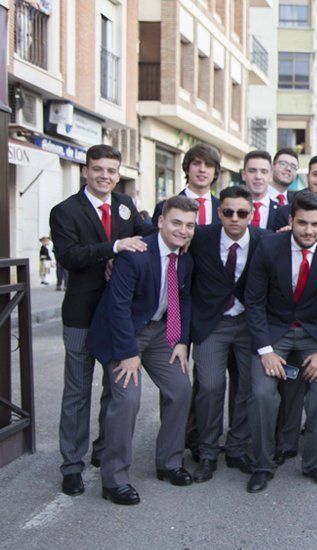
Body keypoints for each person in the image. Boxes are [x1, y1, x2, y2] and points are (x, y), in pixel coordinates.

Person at [49, 144, 154, 497]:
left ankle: (104, 450)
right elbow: (69, 257)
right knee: (77, 391)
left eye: (111, 171)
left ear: (118, 173)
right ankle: (71, 466)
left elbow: (149, 235)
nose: (105, 176)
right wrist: (114, 248)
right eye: (98, 169)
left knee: (114, 390)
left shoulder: (125, 204)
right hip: (80, 314)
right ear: (85, 170)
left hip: (115, 317)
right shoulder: (65, 211)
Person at [87, 196, 198, 505]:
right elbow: (117, 307)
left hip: (163, 332)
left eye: (189, 225)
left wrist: (181, 340)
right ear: (160, 221)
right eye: (176, 223)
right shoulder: (135, 255)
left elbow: (185, 299)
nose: (183, 230)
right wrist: (127, 353)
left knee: (180, 389)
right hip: (124, 334)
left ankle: (170, 462)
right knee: (127, 400)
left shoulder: (185, 258)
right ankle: (114, 479)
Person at [244, 192, 317, 493]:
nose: (309, 230)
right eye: (302, 223)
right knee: (263, 395)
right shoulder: (268, 246)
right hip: (273, 332)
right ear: (291, 220)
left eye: (316, 224)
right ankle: (263, 464)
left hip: (314, 335)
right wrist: (265, 350)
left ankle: (314, 462)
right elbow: (253, 301)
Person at [188, 186, 266, 483]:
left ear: (252, 214)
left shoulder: (265, 241)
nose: (235, 218)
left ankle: (235, 448)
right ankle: (207, 452)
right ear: (219, 212)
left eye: (242, 213)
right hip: (212, 323)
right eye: (228, 212)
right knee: (209, 386)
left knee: (248, 386)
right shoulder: (201, 238)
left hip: (249, 324)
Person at [152, 143, 221, 226]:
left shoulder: (224, 209)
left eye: (208, 165)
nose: (202, 169)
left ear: (215, 172)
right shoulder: (164, 206)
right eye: (196, 163)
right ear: (187, 168)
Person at [241, 150, 281, 230]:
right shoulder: (230, 210)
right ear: (243, 175)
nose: (258, 176)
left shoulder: (281, 212)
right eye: (252, 171)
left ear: (271, 176)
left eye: (264, 172)